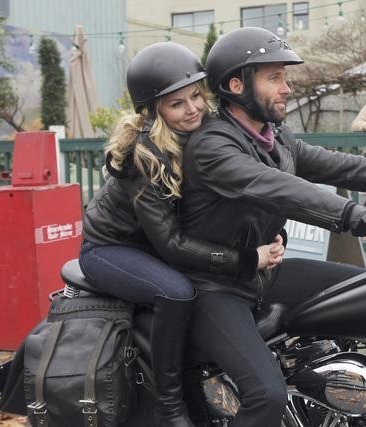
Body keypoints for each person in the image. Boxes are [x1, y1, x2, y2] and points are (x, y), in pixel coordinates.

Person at [178, 27, 366, 426]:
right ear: (236, 85)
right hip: (216, 285)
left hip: (265, 273)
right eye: (274, 77)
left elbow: (339, 165)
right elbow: (287, 192)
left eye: (285, 77)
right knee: (266, 395)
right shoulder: (213, 147)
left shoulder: (275, 139)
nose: (287, 87)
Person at [78, 42, 284, 427]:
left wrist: (275, 236)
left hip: (155, 243)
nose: (192, 109)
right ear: (155, 111)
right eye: (177, 104)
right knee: (176, 290)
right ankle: (170, 404)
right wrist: (245, 260)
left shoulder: (210, 134)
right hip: (111, 246)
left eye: (196, 97)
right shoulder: (143, 156)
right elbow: (171, 244)